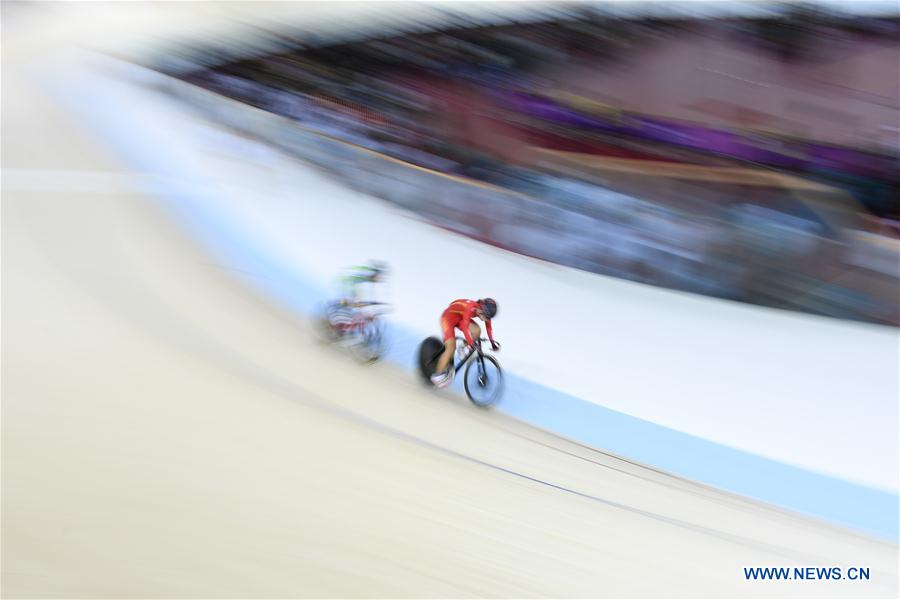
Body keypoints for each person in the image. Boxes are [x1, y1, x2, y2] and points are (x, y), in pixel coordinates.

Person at [431, 298, 500, 388]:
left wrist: (492, 343)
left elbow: (489, 328)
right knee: (451, 346)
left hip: (460, 317)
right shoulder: (471, 307)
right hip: (448, 318)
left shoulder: (484, 311)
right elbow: (464, 328)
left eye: (488, 318)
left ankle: (462, 347)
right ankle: (437, 376)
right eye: (486, 317)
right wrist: (471, 344)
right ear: (482, 309)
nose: (486, 319)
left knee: (477, 330)